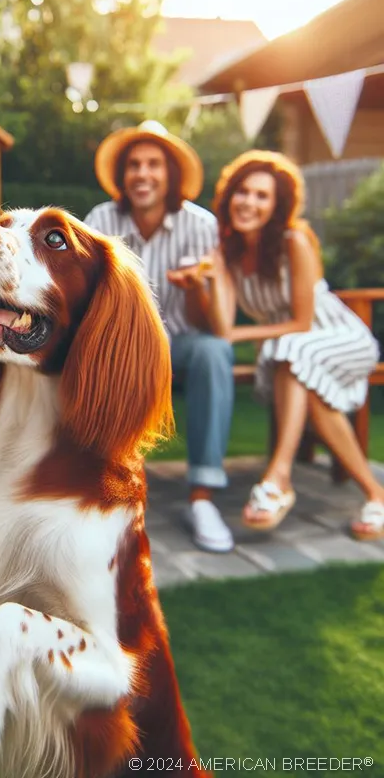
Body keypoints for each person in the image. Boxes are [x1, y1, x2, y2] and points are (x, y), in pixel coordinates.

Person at [188, 149, 382, 540]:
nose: (249, 202)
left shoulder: (295, 240)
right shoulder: (227, 253)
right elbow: (223, 324)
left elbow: (301, 321)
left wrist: (239, 337)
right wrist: (203, 282)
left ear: (277, 206)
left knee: (291, 351)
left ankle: (278, 475)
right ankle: (375, 493)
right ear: (230, 197)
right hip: (288, 351)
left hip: (339, 337)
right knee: (297, 367)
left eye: (263, 196)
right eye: (243, 192)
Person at [85, 120, 235, 553]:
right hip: (121, 348)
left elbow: (208, 321)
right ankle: (109, 494)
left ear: (170, 175)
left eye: (153, 164)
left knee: (214, 351)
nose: (142, 173)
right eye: (133, 165)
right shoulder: (100, 220)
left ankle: (202, 497)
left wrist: (196, 290)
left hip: (182, 348)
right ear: (122, 176)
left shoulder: (201, 226)